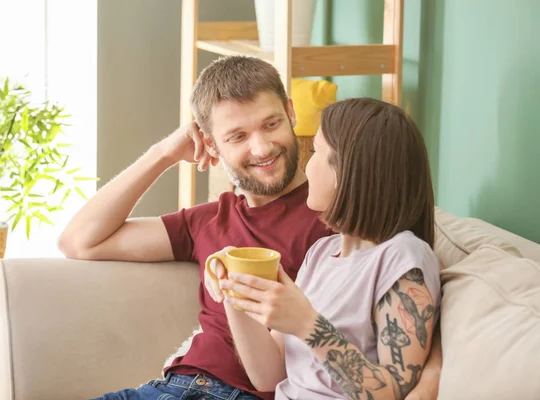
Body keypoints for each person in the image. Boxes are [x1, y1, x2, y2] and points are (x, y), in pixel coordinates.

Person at [58, 55, 442, 400]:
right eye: (238, 137)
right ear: (211, 144)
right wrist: (163, 154)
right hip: (174, 384)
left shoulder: (338, 222)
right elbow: (79, 241)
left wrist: (430, 378)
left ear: (291, 113)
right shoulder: (225, 224)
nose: (262, 149)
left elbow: (410, 323)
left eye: (271, 124)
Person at [217, 97, 441, 400]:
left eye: (316, 151)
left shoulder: (401, 256)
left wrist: (309, 325)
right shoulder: (321, 253)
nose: (307, 165)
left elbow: (394, 393)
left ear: (347, 171)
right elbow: (268, 377)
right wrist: (233, 290)